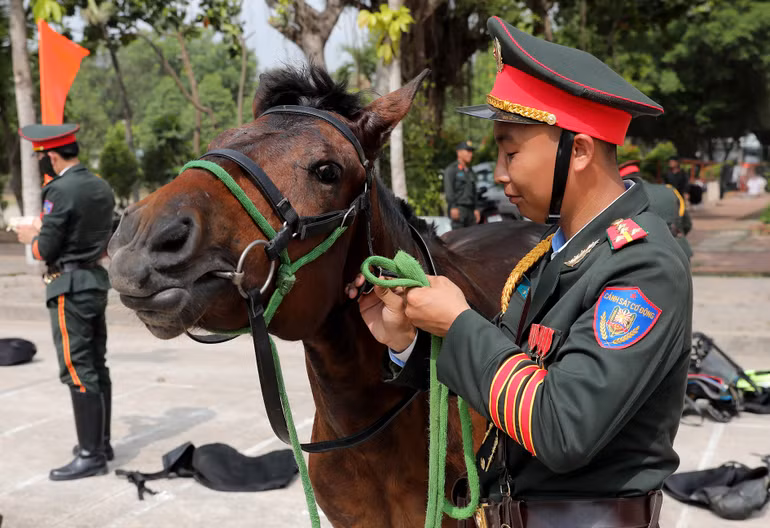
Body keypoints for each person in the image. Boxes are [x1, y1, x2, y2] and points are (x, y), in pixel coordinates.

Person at [346, 16, 691, 527]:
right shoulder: (557, 252)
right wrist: (408, 340)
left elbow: (563, 427)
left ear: (578, 150)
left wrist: (458, 323)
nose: (501, 174)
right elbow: (506, 384)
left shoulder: (642, 265)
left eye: (511, 151)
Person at [16, 124, 116, 481]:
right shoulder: (100, 186)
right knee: (96, 364)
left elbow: (47, 249)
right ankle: (101, 444)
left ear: (52, 156)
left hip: (69, 286)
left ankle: (91, 455)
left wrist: (32, 237)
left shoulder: (59, 190)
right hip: (95, 280)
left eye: (43, 157)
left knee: (77, 369)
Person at [619, 160, 692, 260]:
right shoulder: (669, 189)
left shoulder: (622, 196)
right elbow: (686, 223)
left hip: (644, 258)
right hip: (680, 251)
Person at [444, 140, 480, 228]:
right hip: (459, 210)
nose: (471, 154)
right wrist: (453, 207)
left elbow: (474, 192)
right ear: (459, 153)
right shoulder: (452, 169)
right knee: (459, 239)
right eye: (468, 151)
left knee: (473, 238)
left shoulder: (470, 171)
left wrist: (476, 209)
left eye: (471, 152)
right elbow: (449, 190)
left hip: (471, 211)